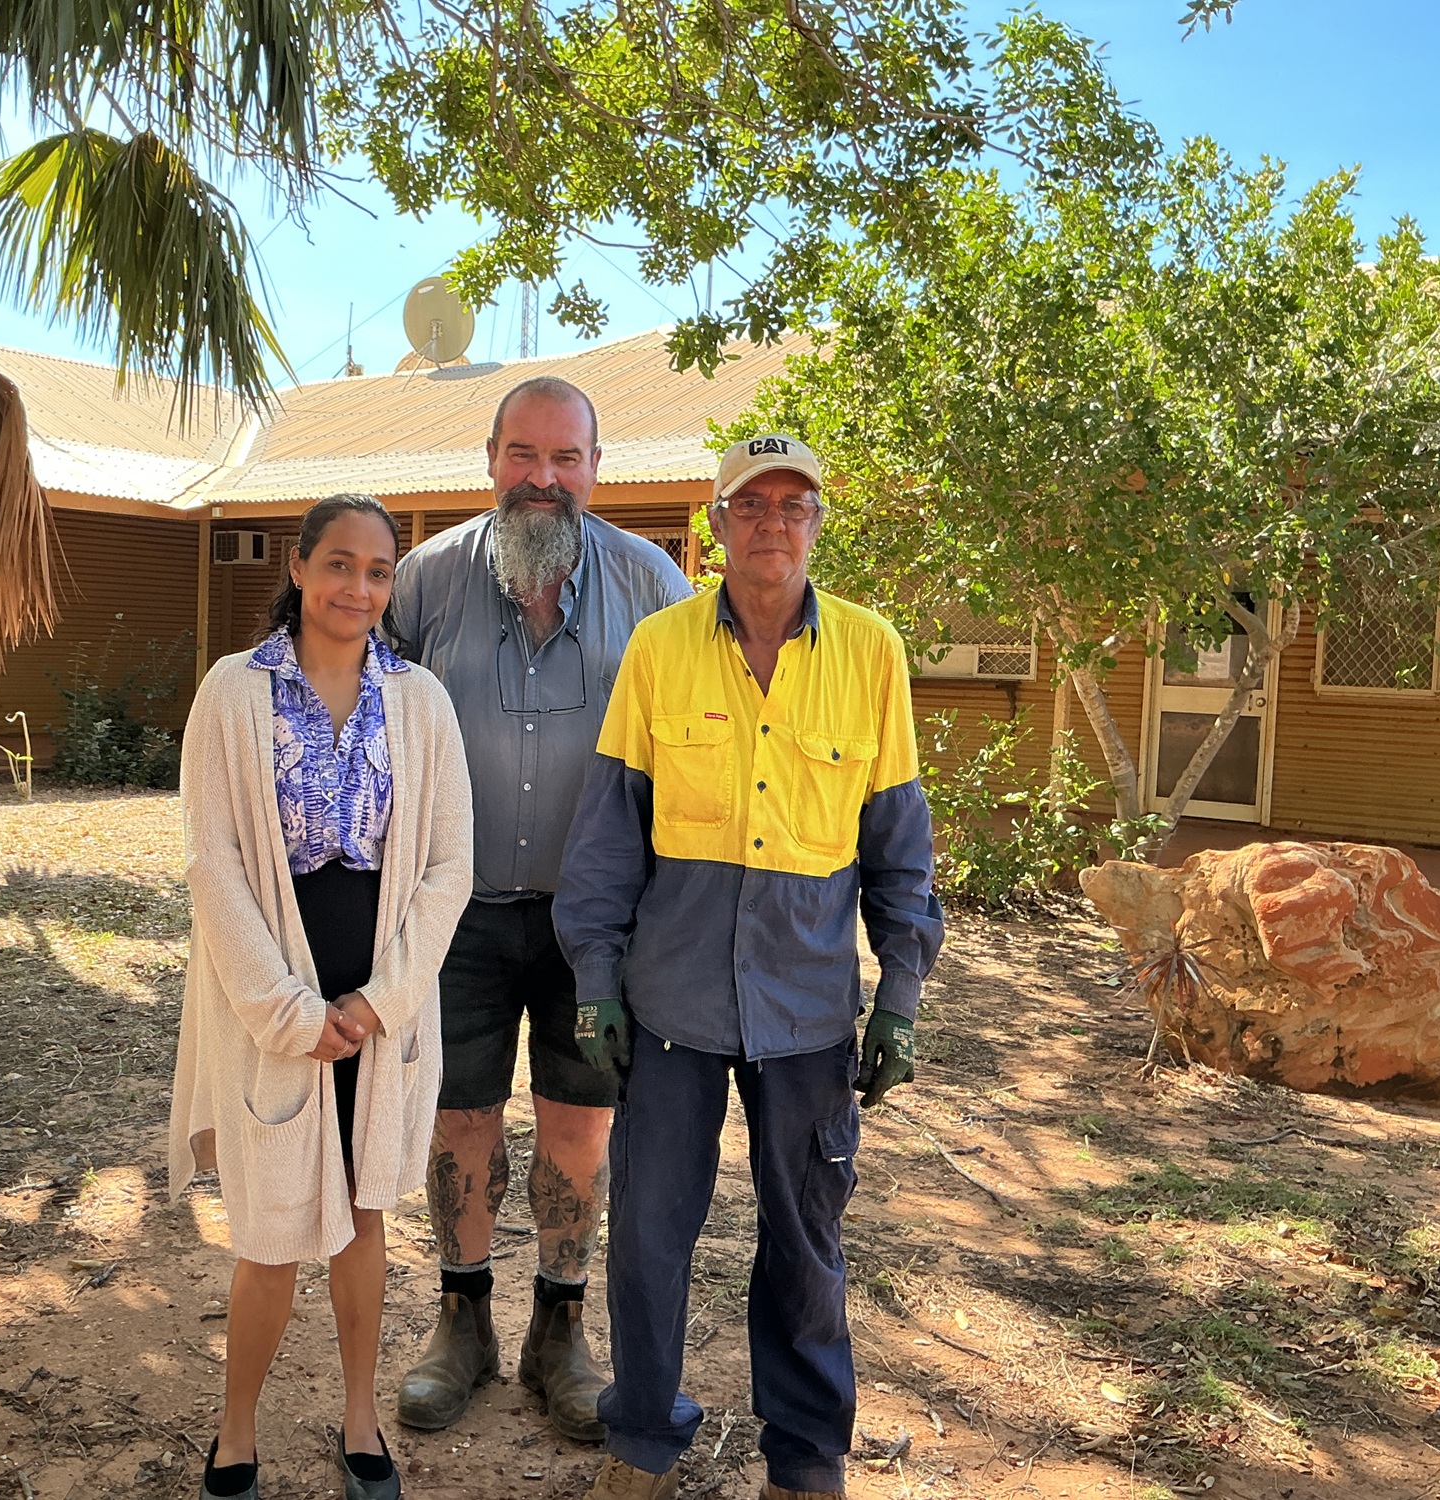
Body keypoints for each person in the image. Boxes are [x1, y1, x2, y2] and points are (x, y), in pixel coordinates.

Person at [553, 434, 945, 1500]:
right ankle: (639, 1437)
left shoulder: (870, 654)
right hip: (669, 1004)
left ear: (817, 523)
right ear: (714, 526)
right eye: (751, 503)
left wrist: (898, 1002)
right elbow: (606, 839)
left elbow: (897, 852)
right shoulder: (659, 648)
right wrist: (594, 981)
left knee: (804, 1242)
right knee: (644, 1233)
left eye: (794, 504)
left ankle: (806, 1456)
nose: (773, 521)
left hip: (808, 1009)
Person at [385, 377, 693, 1441]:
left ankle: (558, 1331)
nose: (542, 479)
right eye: (523, 455)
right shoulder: (421, 582)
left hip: (593, 922)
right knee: (456, 1116)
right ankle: (459, 1320)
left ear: (595, 470)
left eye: (565, 459)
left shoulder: (651, 583)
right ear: (489, 459)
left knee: (577, 1123)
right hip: (452, 908)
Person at [168, 493, 474, 1500]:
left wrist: (378, 1003)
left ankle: (357, 1418)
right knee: (267, 1236)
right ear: (298, 569)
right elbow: (212, 863)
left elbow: (445, 869)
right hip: (273, 1005)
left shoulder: (419, 701)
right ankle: (235, 1432)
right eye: (338, 564)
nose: (357, 587)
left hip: (379, 1013)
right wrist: (293, 1014)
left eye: (378, 571)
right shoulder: (232, 692)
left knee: (362, 1213)